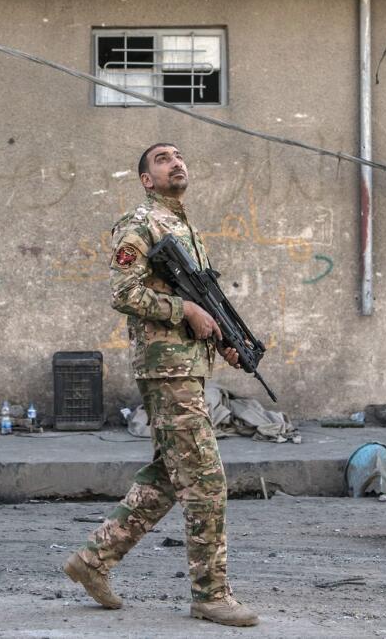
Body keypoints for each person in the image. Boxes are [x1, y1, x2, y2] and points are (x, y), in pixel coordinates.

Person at [62, 143, 259, 627]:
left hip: (186, 366)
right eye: (163, 159)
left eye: (178, 156)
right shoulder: (140, 223)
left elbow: (199, 300)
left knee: (169, 477)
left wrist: (221, 339)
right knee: (206, 480)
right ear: (147, 179)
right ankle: (210, 595)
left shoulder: (184, 227)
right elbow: (124, 292)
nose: (176, 161)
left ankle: (92, 561)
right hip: (166, 370)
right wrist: (185, 311)